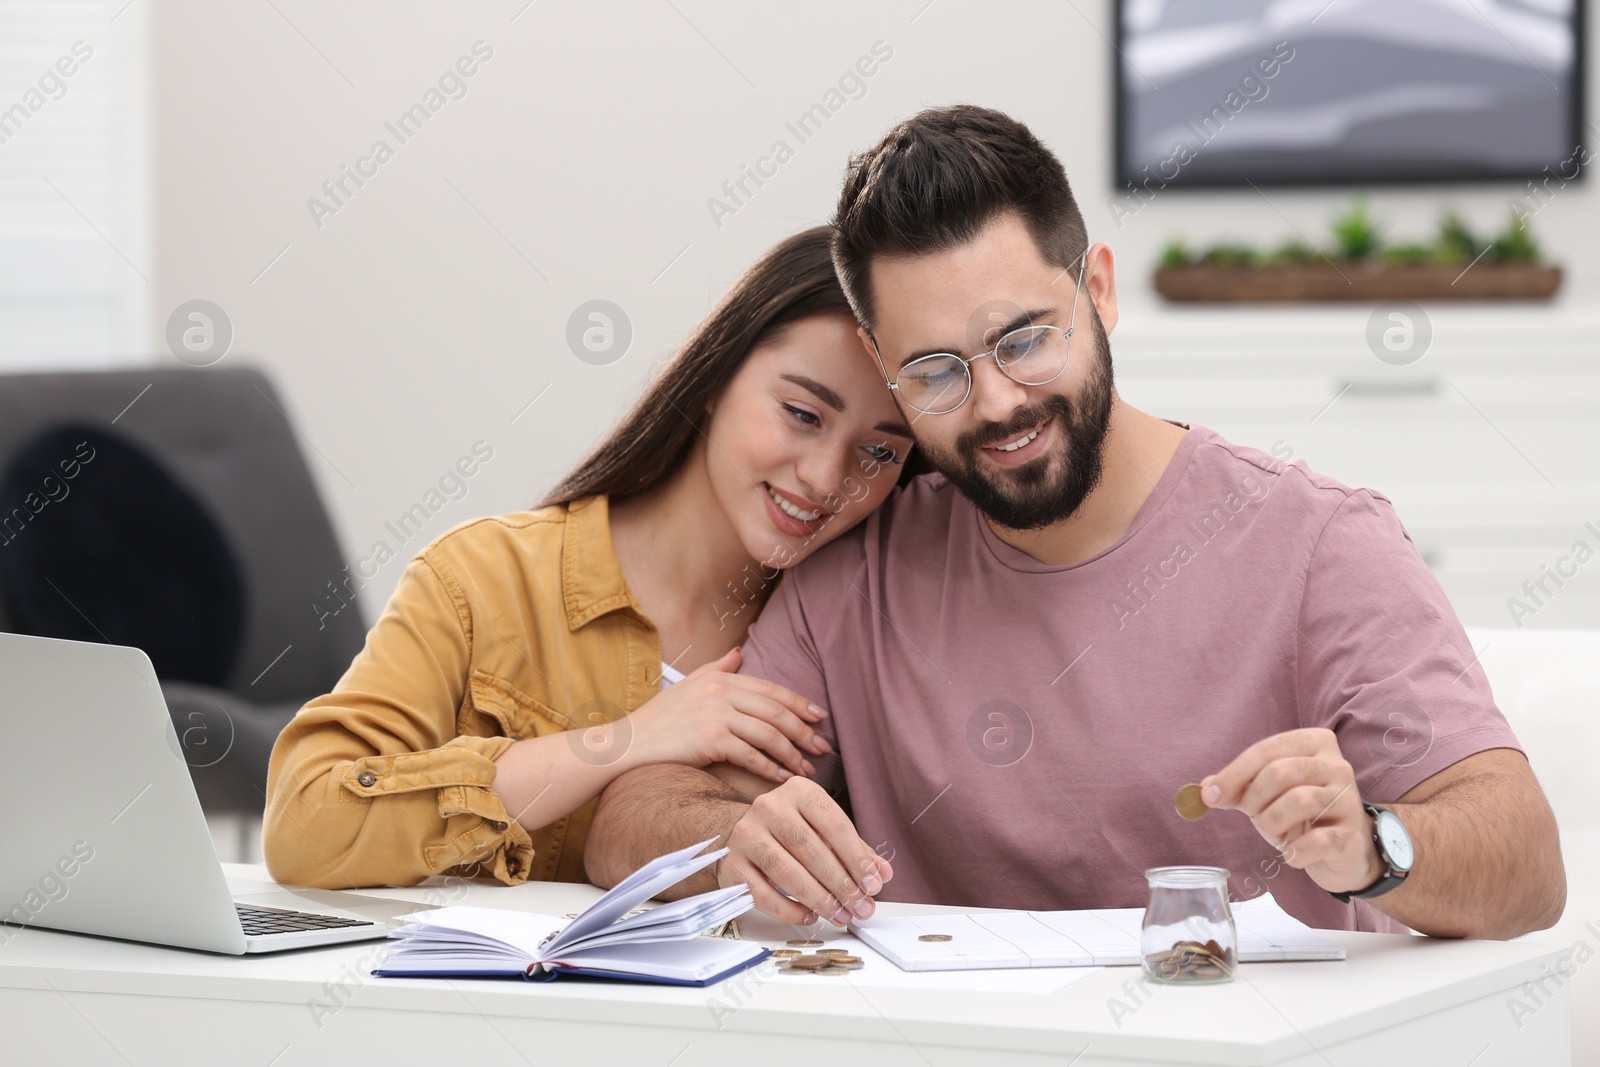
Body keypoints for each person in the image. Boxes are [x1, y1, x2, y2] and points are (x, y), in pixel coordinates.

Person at [583, 106, 1566, 939]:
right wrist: (730, 846)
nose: (996, 401)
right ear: (886, 369)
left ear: (1096, 290)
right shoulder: (854, 572)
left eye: (1023, 338)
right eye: (934, 370)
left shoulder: (1319, 545)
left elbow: (1525, 864)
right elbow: (630, 816)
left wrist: (1374, 842)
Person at [263, 226, 916, 888]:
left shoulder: (844, 634)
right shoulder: (486, 578)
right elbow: (306, 823)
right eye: (803, 413)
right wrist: (624, 739)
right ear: (716, 374)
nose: (828, 478)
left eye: (882, 451)